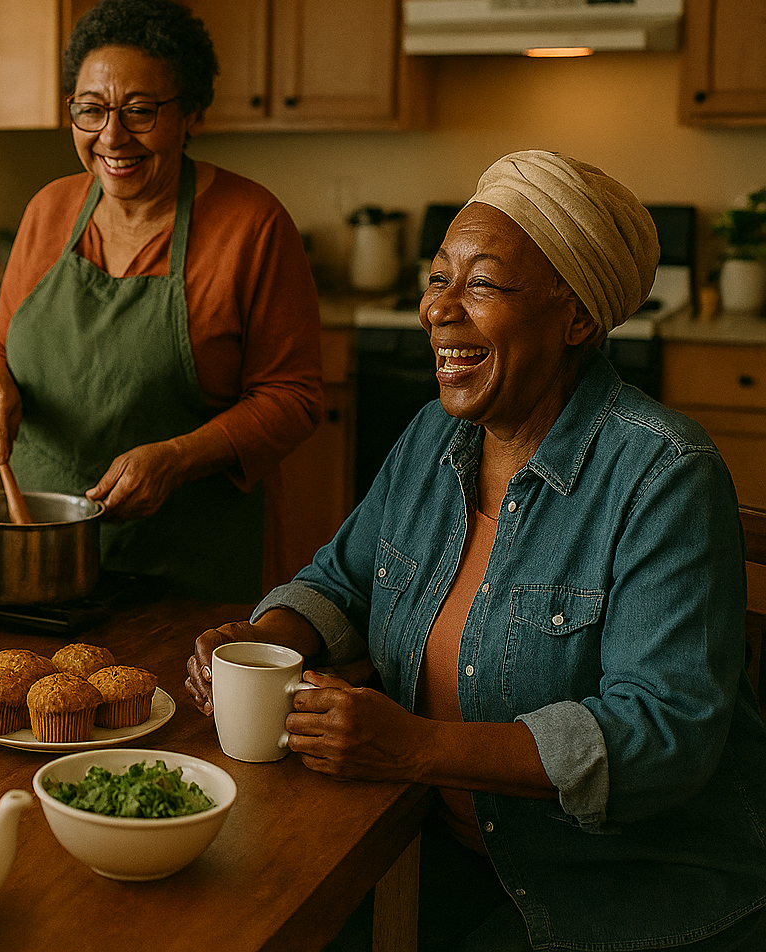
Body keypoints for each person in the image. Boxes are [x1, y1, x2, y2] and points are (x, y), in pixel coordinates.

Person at [185, 151, 766, 951]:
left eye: (483, 284)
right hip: (435, 850)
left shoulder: (665, 476)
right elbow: (341, 579)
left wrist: (415, 747)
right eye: (437, 279)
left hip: (621, 893)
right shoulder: (435, 436)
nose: (440, 311)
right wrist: (260, 645)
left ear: (577, 319)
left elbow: (662, 735)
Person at [0, 0, 323, 602]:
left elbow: (293, 397)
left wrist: (179, 458)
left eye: (139, 111)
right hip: (39, 567)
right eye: (92, 110)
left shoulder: (250, 225)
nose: (112, 135)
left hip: (185, 578)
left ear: (191, 114)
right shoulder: (49, 210)